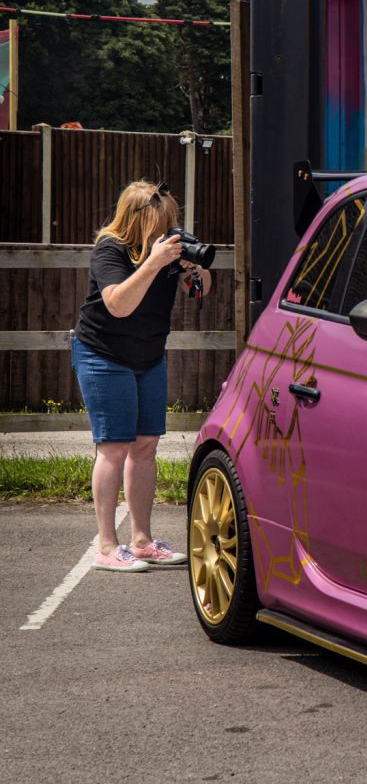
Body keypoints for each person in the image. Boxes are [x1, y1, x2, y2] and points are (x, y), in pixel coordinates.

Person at [71, 180, 212, 572]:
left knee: (146, 445)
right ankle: (106, 546)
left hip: (148, 355)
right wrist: (153, 262)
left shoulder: (166, 251)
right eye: (160, 222)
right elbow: (118, 305)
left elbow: (200, 291)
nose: (166, 230)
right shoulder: (110, 249)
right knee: (114, 446)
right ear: (138, 220)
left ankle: (143, 541)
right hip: (103, 354)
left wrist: (194, 269)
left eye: (170, 222)